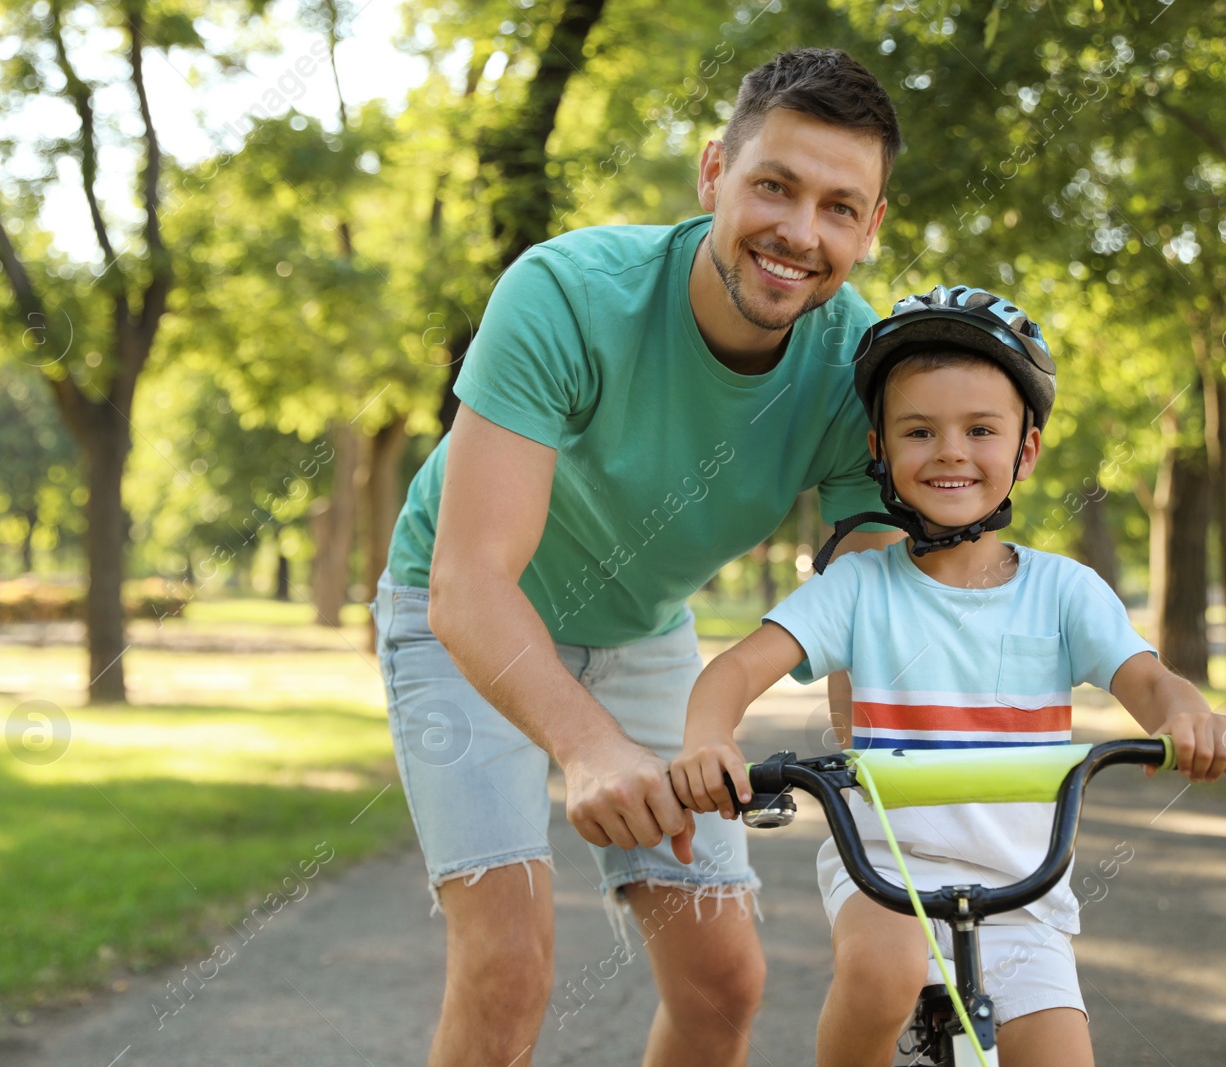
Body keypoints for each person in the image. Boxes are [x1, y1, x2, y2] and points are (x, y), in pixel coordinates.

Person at [373, 49, 907, 1066]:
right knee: (509, 964)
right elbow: (468, 581)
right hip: (465, 618)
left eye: (840, 206)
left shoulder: (857, 366)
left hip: (641, 627)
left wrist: (894, 796)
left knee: (723, 982)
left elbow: (868, 612)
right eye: (773, 186)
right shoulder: (568, 294)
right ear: (713, 173)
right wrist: (589, 746)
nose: (800, 232)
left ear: (870, 228)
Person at [670, 284, 1226, 1067]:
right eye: (919, 430)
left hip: (1024, 890)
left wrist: (1190, 717)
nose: (950, 450)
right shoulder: (858, 586)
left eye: (981, 429)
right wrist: (707, 737)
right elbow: (732, 674)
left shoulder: (1065, 591)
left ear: (1026, 450)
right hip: (885, 871)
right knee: (885, 971)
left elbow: (1150, 682)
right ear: (879, 450)